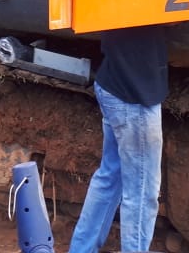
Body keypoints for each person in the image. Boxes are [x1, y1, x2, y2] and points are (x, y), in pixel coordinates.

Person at [68, 25, 170, 253]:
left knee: (111, 177)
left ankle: (81, 249)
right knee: (142, 191)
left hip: (115, 83)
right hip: (134, 94)